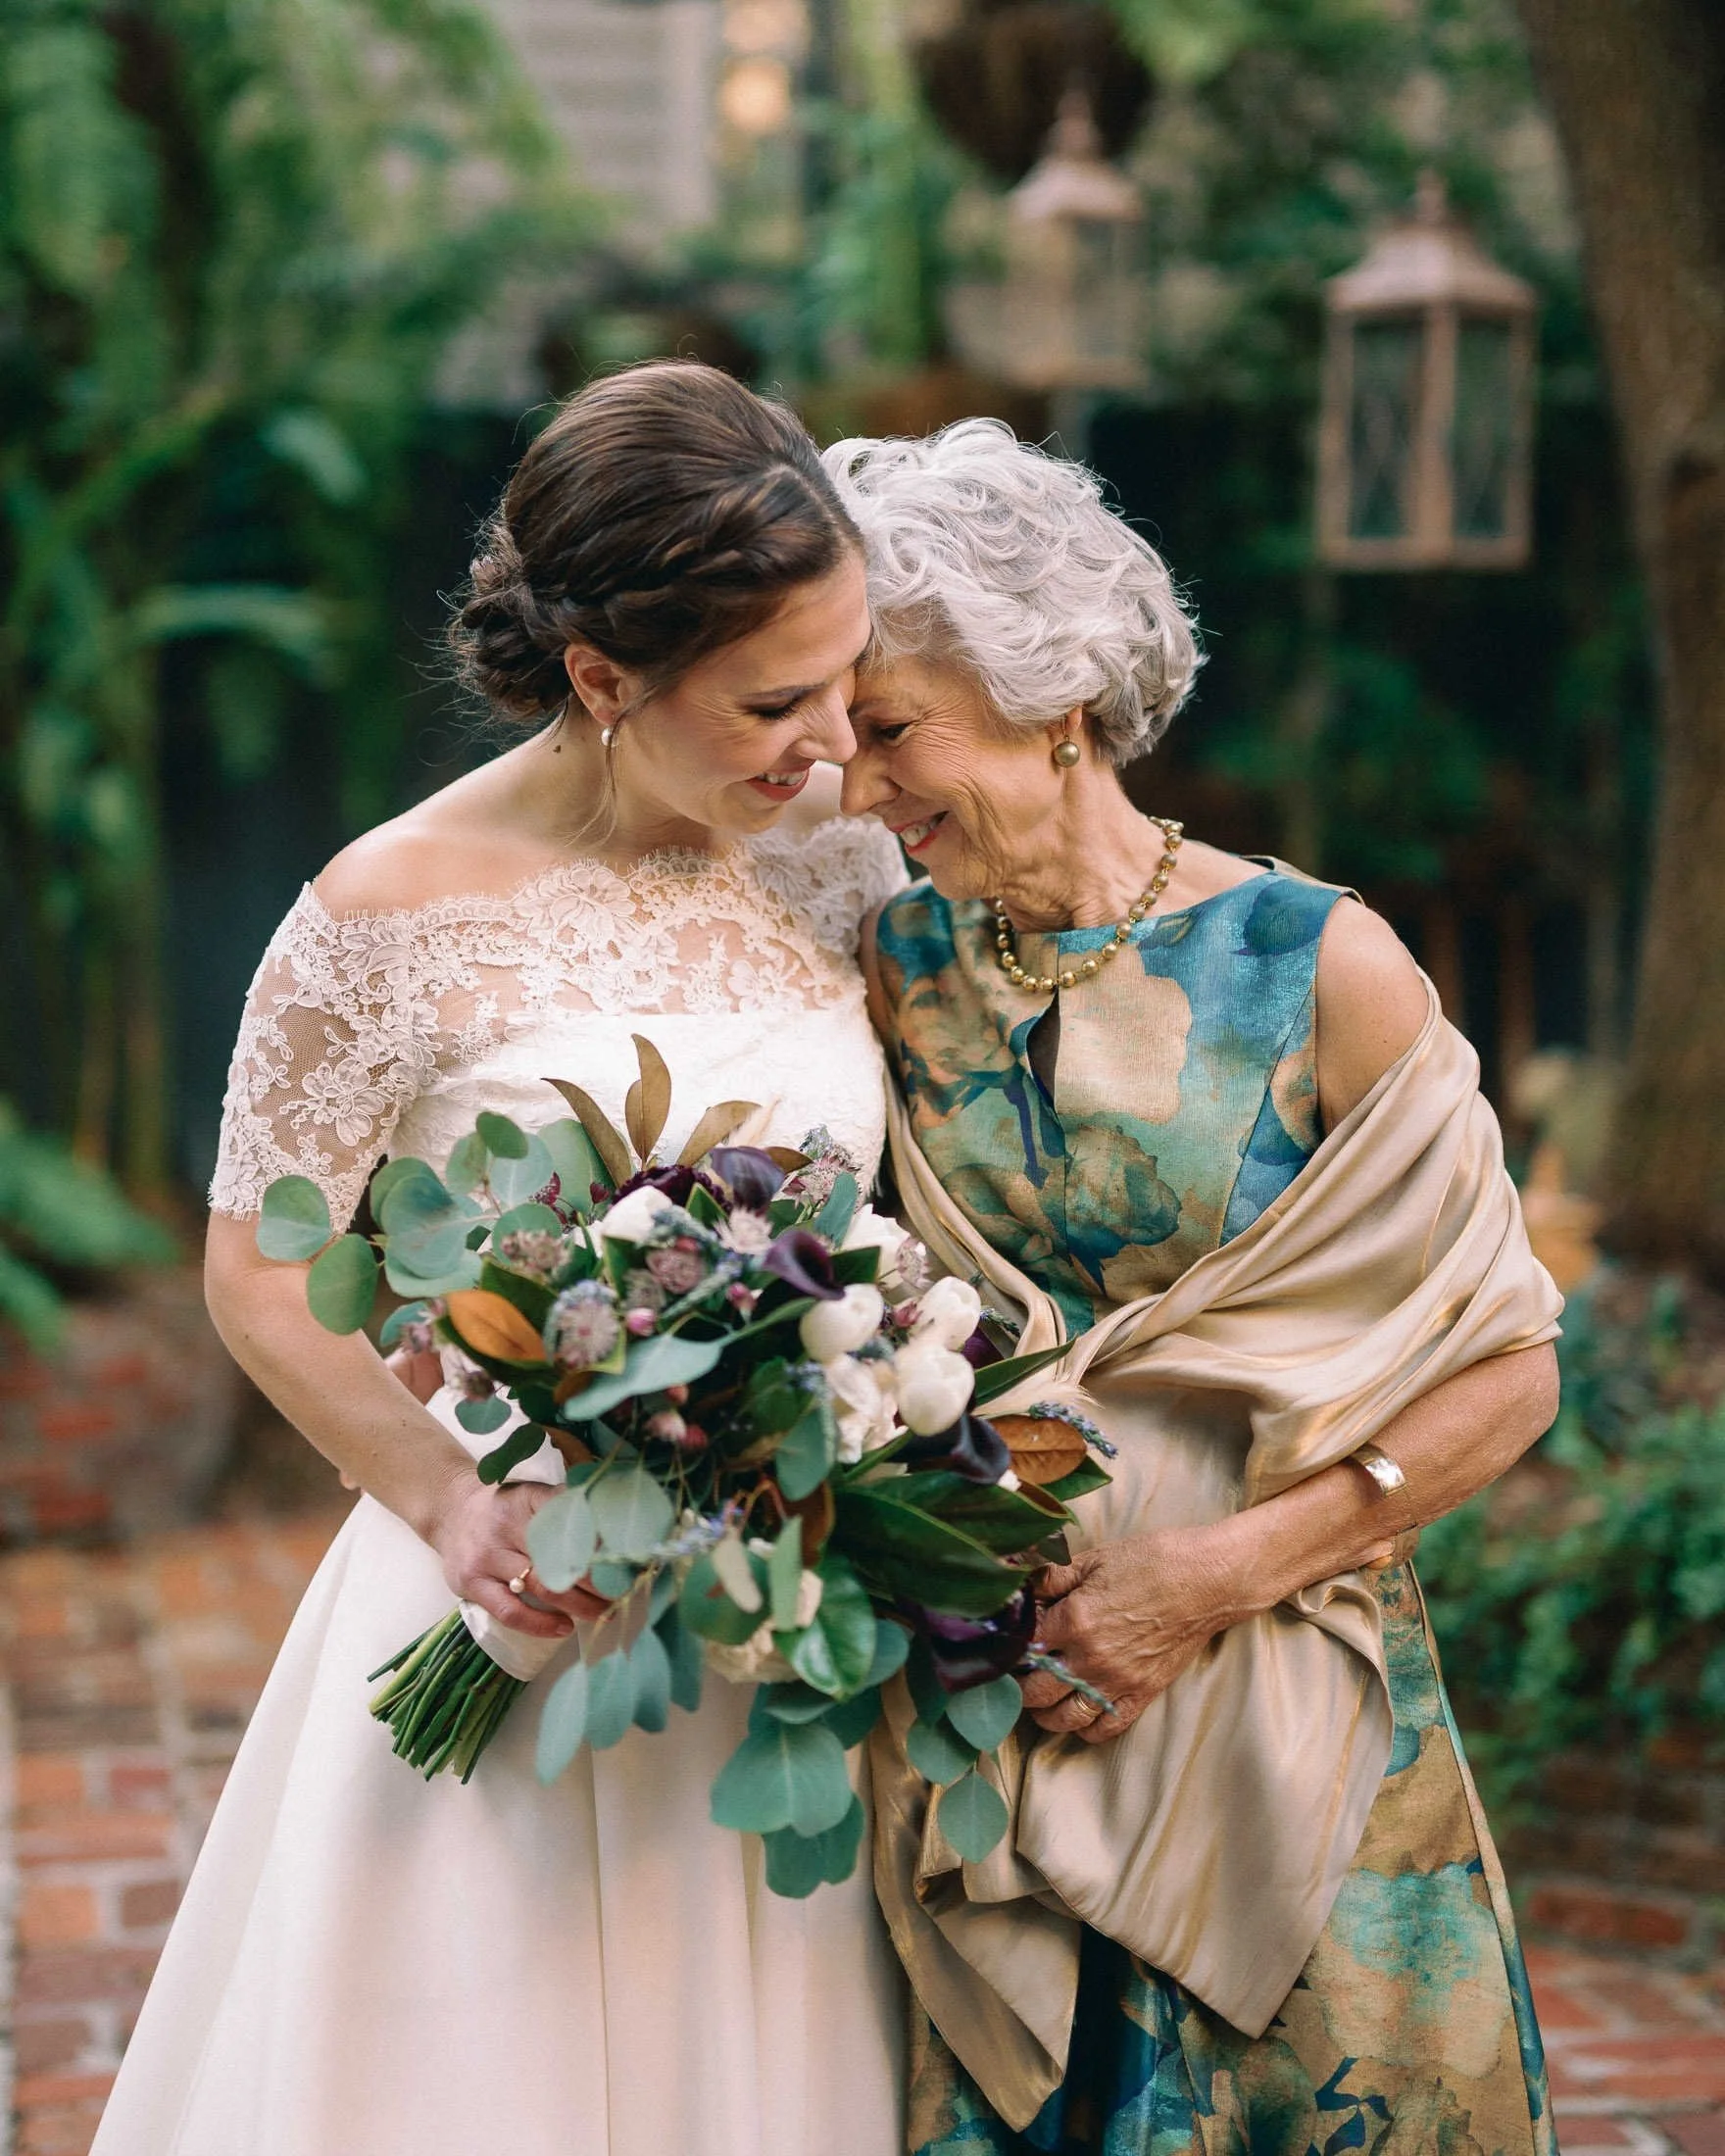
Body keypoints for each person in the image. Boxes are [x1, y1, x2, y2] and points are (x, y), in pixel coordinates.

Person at [90, 362, 909, 2156]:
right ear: (604, 679)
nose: (833, 745)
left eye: (847, 684)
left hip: (783, 1609)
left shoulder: (836, 870)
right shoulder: (383, 911)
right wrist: (457, 1505)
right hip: (514, 1588)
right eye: (776, 700)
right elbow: (252, 1265)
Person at [824, 419, 1564, 2156]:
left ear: (1052, 694)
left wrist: (1205, 1584)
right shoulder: (890, 967)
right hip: (1002, 1709)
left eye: (890, 731)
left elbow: (1512, 1371)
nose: (861, 792)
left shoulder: (1318, 966)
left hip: (1285, 1718)